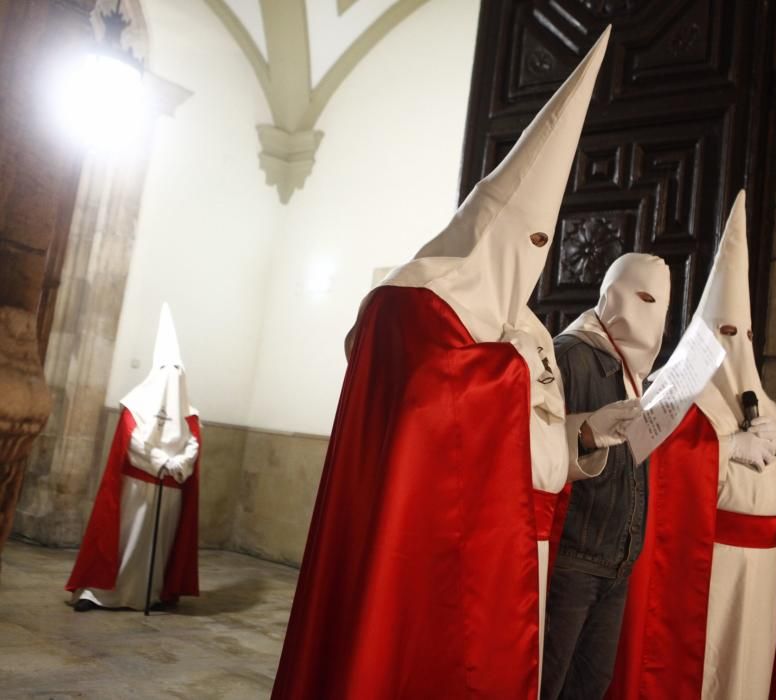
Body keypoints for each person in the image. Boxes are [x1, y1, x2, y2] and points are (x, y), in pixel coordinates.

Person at [271, 28, 613, 700]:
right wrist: (508, 373)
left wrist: (579, 434)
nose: (532, 258)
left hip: (512, 543)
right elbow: (431, 403)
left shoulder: (527, 328)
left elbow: (528, 427)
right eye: (528, 239)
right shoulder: (412, 299)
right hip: (419, 543)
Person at [606, 191, 776, 700]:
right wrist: (725, 447)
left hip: (764, 573)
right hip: (707, 571)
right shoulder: (674, 389)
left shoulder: (760, 401)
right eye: (726, 333)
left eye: (744, 336)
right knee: (705, 674)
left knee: (749, 679)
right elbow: (644, 456)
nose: (737, 346)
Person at [541, 253, 671, 699]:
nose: (648, 314)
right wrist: (587, 432)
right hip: (571, 559)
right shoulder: (569, 356)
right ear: (613, 292)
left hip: (616, 564)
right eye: (642, 296)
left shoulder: (638, 375)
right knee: (545, 683)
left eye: (659, 304)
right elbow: (529, 445)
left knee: (588, 688)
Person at [66, 303, 200, 611]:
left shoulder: (189, 413)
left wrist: (179, 464)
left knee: (158, 546)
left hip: (171, 490)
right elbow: (133, 441)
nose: (173, 377)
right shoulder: (136, 406)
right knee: (127, 540)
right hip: (137, 487)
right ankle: (102, 593)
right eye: (168, 370)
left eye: (178, 371)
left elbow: (193, 442)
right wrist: (160, 462)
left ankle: (152, 594)